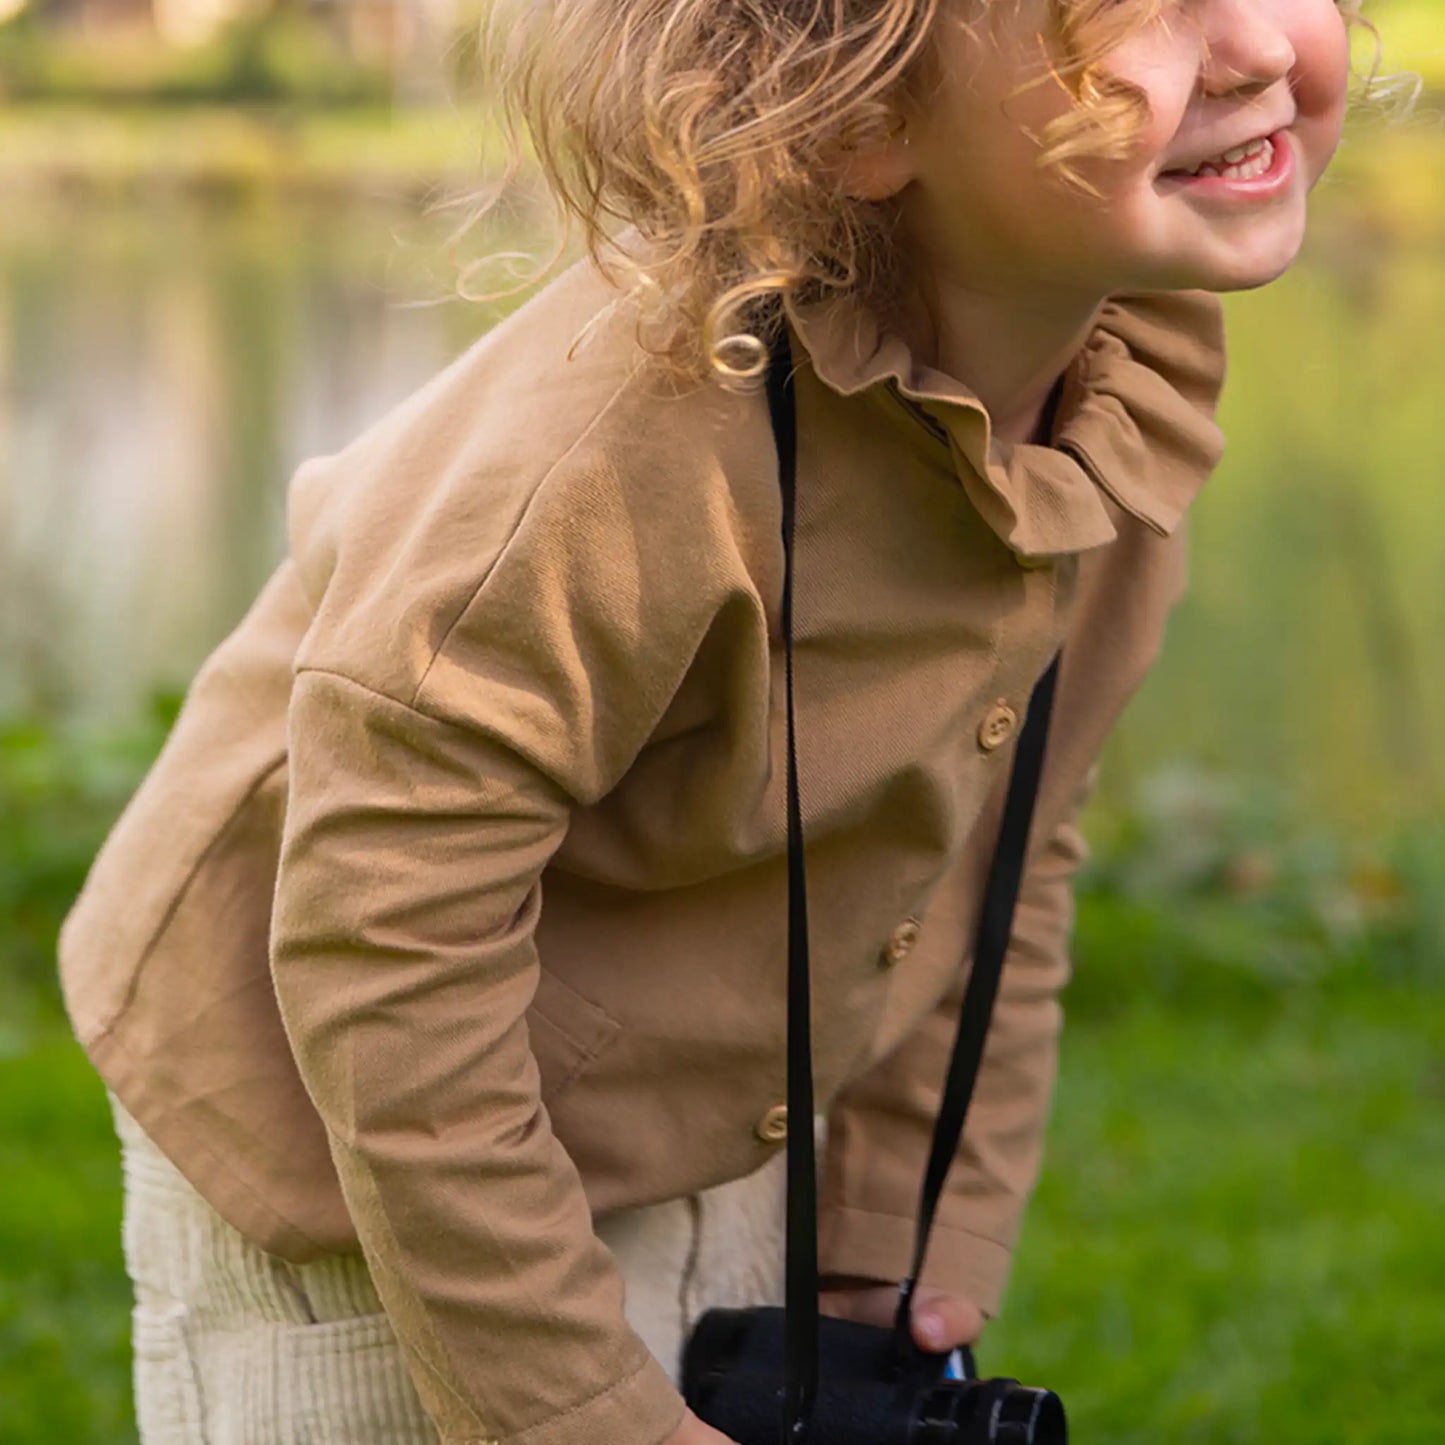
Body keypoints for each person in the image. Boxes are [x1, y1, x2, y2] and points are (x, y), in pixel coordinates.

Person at [59, 1, 1361, 1442]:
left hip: (706, 1059)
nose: (1250, 45)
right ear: (856, 116)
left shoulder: (1110, 399)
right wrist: (576, 1410)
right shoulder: (618, 458)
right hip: (343, 1114)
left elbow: (1010, 838)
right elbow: (386, 938)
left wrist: (894, 1215)